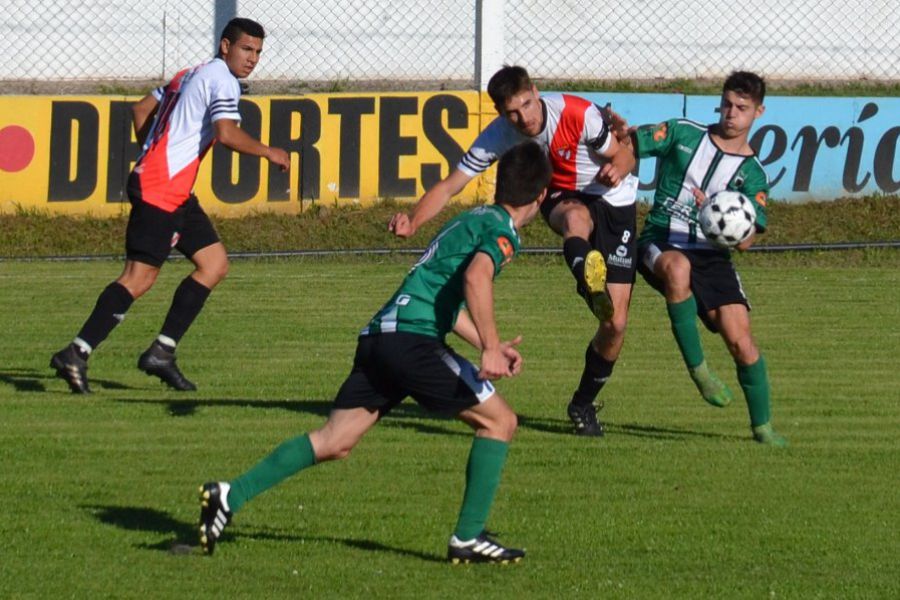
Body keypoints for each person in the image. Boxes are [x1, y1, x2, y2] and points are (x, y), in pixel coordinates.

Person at [198, 142, 552, 563]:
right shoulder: (502, 231)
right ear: (542, 195)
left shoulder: (470, 218)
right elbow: (478, 277)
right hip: (411, 342)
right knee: (500, 422)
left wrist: (487, 343)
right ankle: (468, 537)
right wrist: (491, 348)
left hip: (381, 337)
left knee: (335, 441)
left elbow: (443, 299)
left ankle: (229, 495)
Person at [389, 65, 638, 437]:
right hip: (563, 195)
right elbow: (450, 185)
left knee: (614, 324)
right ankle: (587, 269)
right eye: (512, 112)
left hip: (616, 198)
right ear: (501, 113)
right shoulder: (499, 136)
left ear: (536, 92)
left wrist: (616, 169)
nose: (523, 118)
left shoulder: (577, 112)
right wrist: (413, 220)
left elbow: (626, 154)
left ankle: (582, 403)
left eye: (526, 105)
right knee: (574, 220)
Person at [49, 18, 290, 393]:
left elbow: (141, 110)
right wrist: (268, 151)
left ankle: (162, 351)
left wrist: (154, 151)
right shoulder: (223, 80)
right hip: (162, 188)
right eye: (246, 49)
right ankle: (76, 352)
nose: (253, 58)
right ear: (225, 46)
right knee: (138, 278)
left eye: (258, 52)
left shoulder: (189, 73)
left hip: (172, 189)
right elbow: (226, 133)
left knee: (214, 264)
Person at [615, 71, 787, 446]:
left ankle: (763, 429)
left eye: (741, 108)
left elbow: (746, 244)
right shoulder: (682, 132)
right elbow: (630, 142)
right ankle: (700, 373)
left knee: (742, 343)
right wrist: (619, 150)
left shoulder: (753, 176)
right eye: (726, 104)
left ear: (758, 112)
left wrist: (715, 212)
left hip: (713, 257)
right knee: (678, 268)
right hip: (663, 239)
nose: (731, 113)